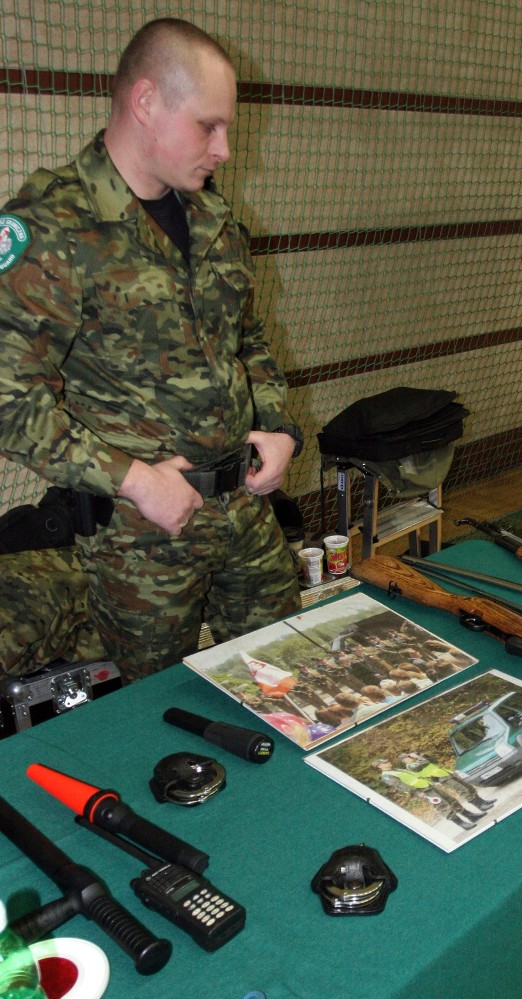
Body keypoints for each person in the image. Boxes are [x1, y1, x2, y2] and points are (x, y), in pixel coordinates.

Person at [0, 19, 302, 682]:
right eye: (208, 127)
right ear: (145, 103)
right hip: (142, 538)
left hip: (243, 511)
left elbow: (248, 338)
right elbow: (9, 399)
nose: (224, 149)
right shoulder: (54, 227)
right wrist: (136, 481)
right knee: (157, 718)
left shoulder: (213, 221)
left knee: (290, 680)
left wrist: (277, 426)